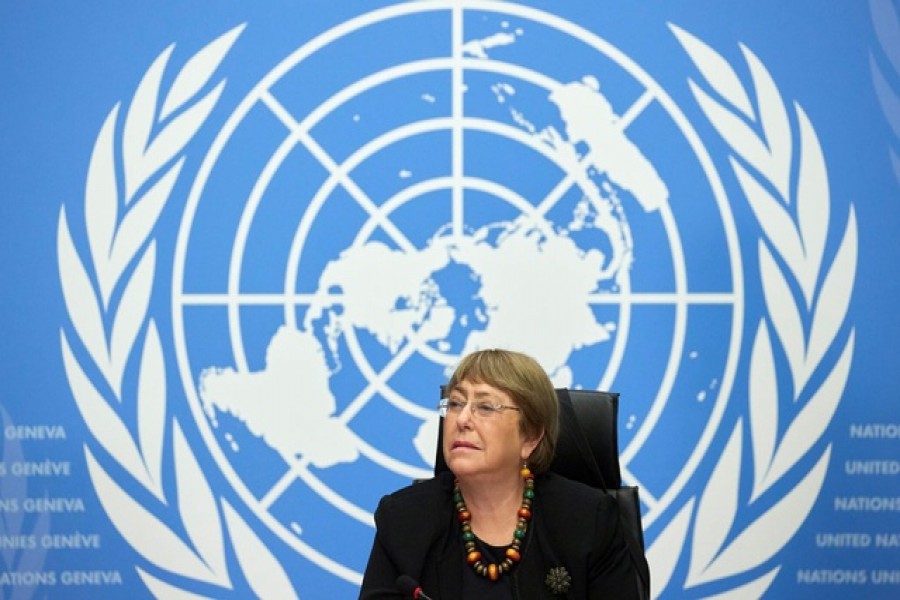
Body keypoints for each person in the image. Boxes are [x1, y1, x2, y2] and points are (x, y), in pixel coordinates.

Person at [359, 349, 644, 599]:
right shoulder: (403, 519)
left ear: (530, 437)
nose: (462, 419)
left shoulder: (589, 520)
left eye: (485, 407)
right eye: (455, 404)